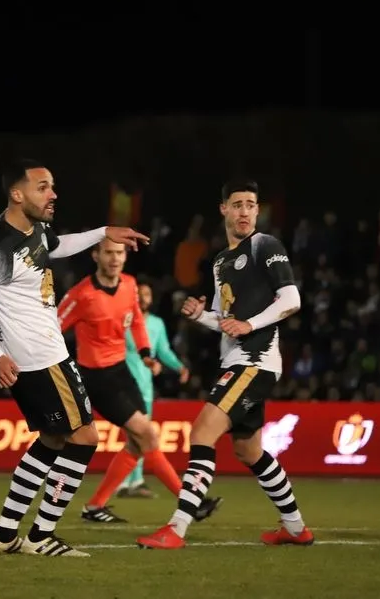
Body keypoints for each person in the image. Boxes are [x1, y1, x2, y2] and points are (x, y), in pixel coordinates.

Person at [0, 159, 148, 557]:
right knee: (85, 438)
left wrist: (102, 232)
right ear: (17, 194)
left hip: (40, 356)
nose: (53, 194)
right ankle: (41, 536)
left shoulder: (35, 229)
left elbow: (57, 247)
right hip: (40, 359)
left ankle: (5, 533)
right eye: (42, 187)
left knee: (52, 439)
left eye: (52, 186)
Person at [137, 179, 313, 550]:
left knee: (202, 432)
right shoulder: (220, 261)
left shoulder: (266, 245)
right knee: (248, 450)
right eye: (237, 205)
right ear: (224, 210)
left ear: (257, 210)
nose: (245, 211)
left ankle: (177, 529)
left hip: (255, 361)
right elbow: (225, 319)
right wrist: (200, 316)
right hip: (236, 359)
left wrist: (250, 324)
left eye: (251, 204)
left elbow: (292, 299)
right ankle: (296, 528)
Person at [58, 240, 220, 522]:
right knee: (147, 435)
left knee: (136, 443)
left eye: (119, 253)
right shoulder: (81, 294)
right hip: (97, 378)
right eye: (108, 252)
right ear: (96, 255)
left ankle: (94, 507)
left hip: (122, 371)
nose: (114, 258)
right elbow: (52, 328)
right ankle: (190, 503)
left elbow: (135, 322)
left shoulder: (130, 285)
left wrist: (146, 354)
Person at [118, 280, 191, 498]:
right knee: (134, 434)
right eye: (139, 294)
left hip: (145, 388)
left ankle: (131, 481)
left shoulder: (157, 324)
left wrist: (179, 367)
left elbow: (163, 351)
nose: (143, 298)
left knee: (140, 435)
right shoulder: (123, 320)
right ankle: (131, 481)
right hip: (123, 384)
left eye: (147, 294)